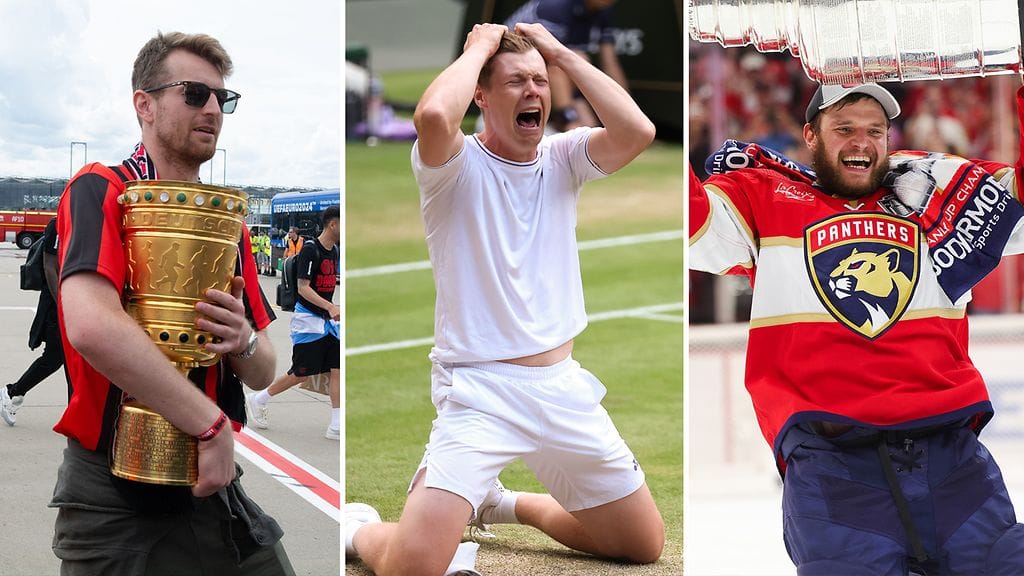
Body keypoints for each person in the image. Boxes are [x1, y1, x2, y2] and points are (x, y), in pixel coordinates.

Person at [345, 23, 664, 576]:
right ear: (482, 95)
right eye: (516, 82)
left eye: (540, 82)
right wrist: (477, 49)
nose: (534, 92)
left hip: (563, 388)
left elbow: (637, 129)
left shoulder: (564, 155)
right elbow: (432, 118)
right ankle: (357, 530)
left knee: (641, 545)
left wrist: (561, 55)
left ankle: (503, 504)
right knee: (414, 567)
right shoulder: (452, 164)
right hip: (479, 390)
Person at [689, 82, 1024, 574]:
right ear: (810, 135)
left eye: (874, 130)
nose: (861, 142)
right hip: (833, 470)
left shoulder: (938, 191)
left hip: (952, 462)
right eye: (843, 129)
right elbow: (693, 224)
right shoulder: (761, 196)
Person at [49, 31, 294, 575]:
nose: (212, 109)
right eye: (193, 94)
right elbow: (90, 324)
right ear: (145, 103)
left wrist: (244, 341)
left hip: (212, 490)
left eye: (221, 99)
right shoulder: (100, 188)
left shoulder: (224, 220)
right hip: (115, 499)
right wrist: (209, 425)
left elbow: (263, 370)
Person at [245, 205, 340, 440]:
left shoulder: (334, 251)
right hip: (308, 321)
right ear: (333, 224)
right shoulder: (311, 250)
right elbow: (303, 288)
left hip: (328, 322)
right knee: (300, 373)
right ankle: (258, 399)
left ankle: (336, 425)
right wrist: (329, 306)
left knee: (338, 369)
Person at [504, 0, 627, 132]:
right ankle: (565, 121)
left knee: (589, 128)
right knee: (574, 60)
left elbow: (610, 63)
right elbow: (551, 61)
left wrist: (626, 110)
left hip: (550, 76)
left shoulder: (602, 11)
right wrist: (569, 121)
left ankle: (559, 125)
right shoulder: (555, 6)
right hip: (509, 71)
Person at [1, 217, 66, 425]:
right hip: (56, 304)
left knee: (75, 361)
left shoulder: (85, 223)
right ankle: (11, 394)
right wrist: (64, 306)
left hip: (76, 300)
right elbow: (49, 267)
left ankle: (78, 411)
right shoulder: (58, 224)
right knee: (54, 358)